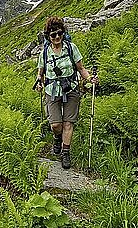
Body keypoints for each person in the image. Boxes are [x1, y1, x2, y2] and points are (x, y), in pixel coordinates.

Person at [35, 16, 98, 169]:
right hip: (52, 90)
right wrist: (39, 82)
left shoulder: (71, 48)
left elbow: (81, 68)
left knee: (68, 123)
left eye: (59, 33)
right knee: (56, 124)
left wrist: (90, 79)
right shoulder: (44, 53)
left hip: (71, 88)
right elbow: (40, 73)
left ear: (63, 33)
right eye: (53, 35)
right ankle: (57, 137)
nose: (57, 37)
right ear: (48, 36)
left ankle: (65, 153)